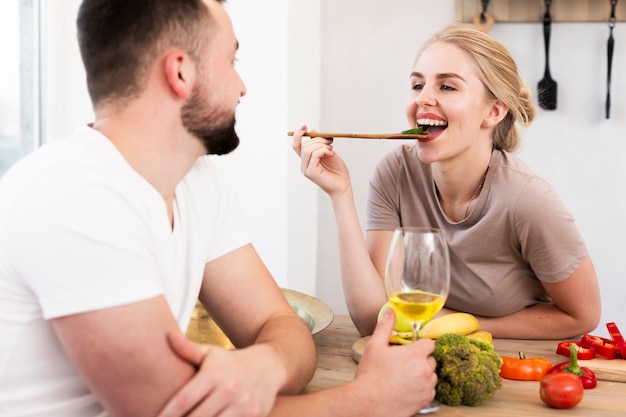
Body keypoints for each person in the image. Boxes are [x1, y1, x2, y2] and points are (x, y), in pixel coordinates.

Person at [0, 1, 437, 416]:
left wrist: (264, 364)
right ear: (180, 72)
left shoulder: (197, 182)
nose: (242, 87)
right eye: (232, 62)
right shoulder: (75, 196)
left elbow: (278, 324)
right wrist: (368, 402)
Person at [293, 23, 601, 340]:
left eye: (447, 87)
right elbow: (374, 319)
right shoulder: (395, 173)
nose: (423, 99)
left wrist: (454, 323)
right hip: (424, 361)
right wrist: (340, 194)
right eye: (417, 85)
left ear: (493, 111)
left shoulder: (527, 199)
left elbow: (582, 316)